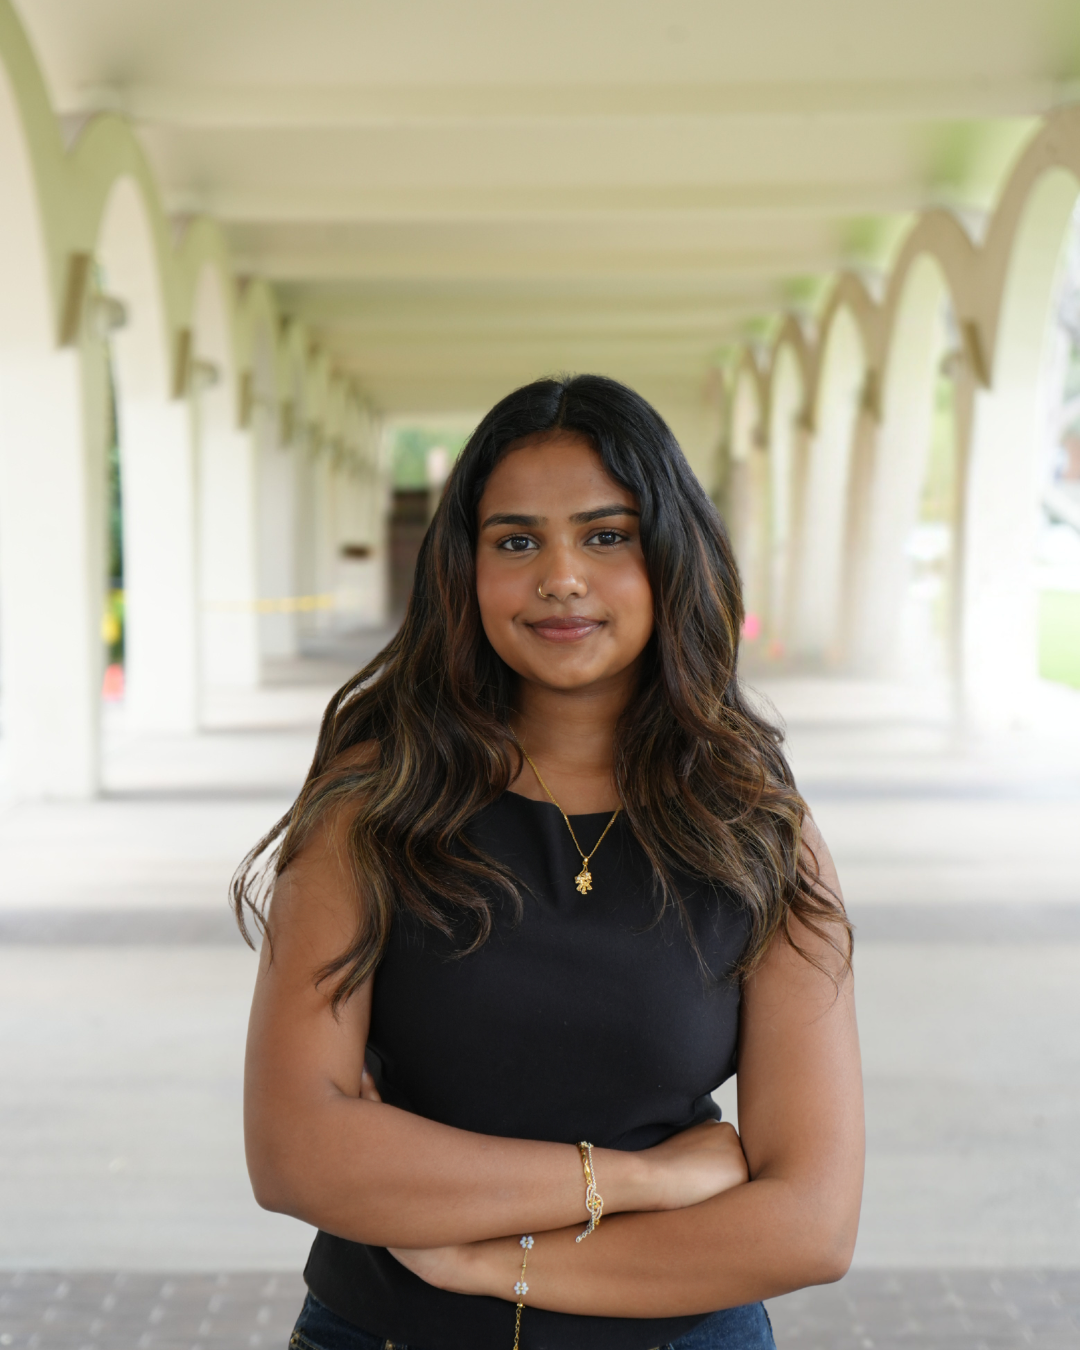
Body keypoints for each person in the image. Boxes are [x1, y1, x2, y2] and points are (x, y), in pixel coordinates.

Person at [235, 374, 864, 1350]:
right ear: (466, 569)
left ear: (670, 556)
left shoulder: (759, 832)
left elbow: (812, 1223)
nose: (559, 576)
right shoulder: (375, 807)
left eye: (606, 535)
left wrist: (496, 1265)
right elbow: (294, 1152)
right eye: (516, 540)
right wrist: (647, 1179)